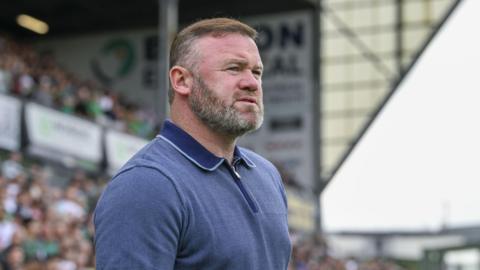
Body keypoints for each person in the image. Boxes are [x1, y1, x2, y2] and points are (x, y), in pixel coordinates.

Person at [94, 17, 292, 269]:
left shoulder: (267, 175)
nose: (251, 83)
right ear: (182, 81)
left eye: (256, 72)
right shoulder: (146, 185)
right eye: (233, 68)